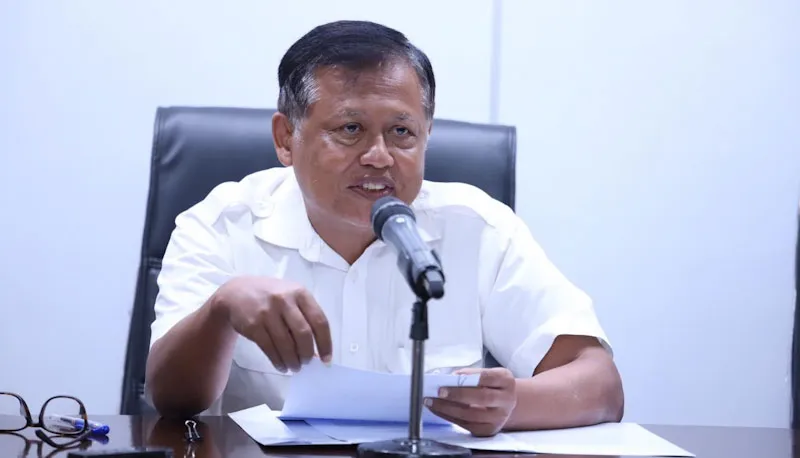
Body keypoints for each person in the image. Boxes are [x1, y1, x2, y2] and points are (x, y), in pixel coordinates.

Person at [145, 20, 624, 437]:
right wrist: (222, 309)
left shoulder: (479, 228)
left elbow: (600, 384)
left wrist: (513, 404)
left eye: (401, 132)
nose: (379, 156)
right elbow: (169, 398)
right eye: (350, 129)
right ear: (286, 138)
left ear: (427, 135)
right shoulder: (221, 224)